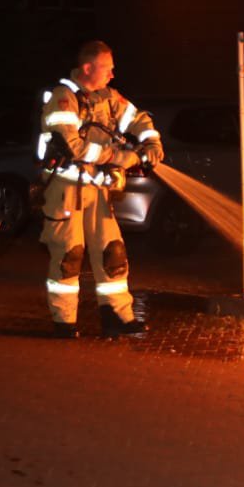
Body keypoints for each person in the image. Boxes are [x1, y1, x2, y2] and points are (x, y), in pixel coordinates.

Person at [37, 40, 163, 338]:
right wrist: (122, 157)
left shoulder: (107, 98)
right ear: (88, 68)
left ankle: (117, 316)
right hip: (66, 190)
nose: (113, 74)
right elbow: (74, 146)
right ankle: (64, 322)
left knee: (113, 253)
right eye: (107, 68)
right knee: (70, 255)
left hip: (98, 192)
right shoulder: (63, 99)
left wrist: (152, 141)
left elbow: (138, 118)